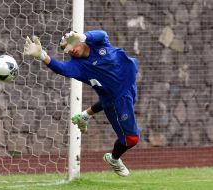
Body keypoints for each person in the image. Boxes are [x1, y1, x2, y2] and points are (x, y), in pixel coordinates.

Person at [23, 30, 140, 177]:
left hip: (129, 84)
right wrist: (42, 55)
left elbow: (102, 34)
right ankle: (114, 159)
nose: (71, 50)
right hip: (118, 102)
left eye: (71, 44)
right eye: (66, 49)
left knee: (109, 91)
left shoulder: (98, 42)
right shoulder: (78, 66)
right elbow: (61, 68)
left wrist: (84, 36)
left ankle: (84, 115)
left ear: (79, 39)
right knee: (131, 139)